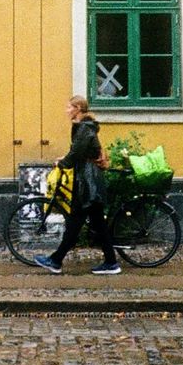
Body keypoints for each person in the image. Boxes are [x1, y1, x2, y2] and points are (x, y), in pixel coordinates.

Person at [34, 94, 120, 275]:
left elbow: (77, 154)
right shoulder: (85, 128)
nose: (66, 111)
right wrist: (64, 158)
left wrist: (63, 163)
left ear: (77, 109)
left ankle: (56, 261)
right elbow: (79, 152)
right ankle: (111, 263)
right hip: (90, 180)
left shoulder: (84, 129)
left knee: (75, 222)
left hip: (87, 183)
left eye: (68, 107)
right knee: (96, 224)